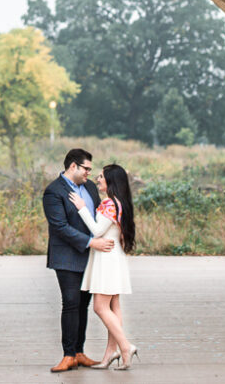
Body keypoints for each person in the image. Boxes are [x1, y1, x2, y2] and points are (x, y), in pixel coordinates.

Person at [42, 148, 115, 373]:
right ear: (73, 166)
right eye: (86, 169)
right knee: (71, 302)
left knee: (83, 305)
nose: (89, 174)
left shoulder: (90, 188)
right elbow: (60, 227)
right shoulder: (54, 192)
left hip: (90, 256)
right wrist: (91, 242)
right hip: (66, 256)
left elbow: (97, 218)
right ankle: (68, 355)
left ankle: (79, 352)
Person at [68, 163, 138, 370]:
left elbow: (97, 230)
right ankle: (111, 353)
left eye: (101, 177)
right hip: (111, 256)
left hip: (107, 259)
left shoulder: (110, 204)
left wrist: (81, 208)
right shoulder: (119, 202)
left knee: (100, 307)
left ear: (111, 181)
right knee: (113, 306)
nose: (97, 179)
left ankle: (125, 346)